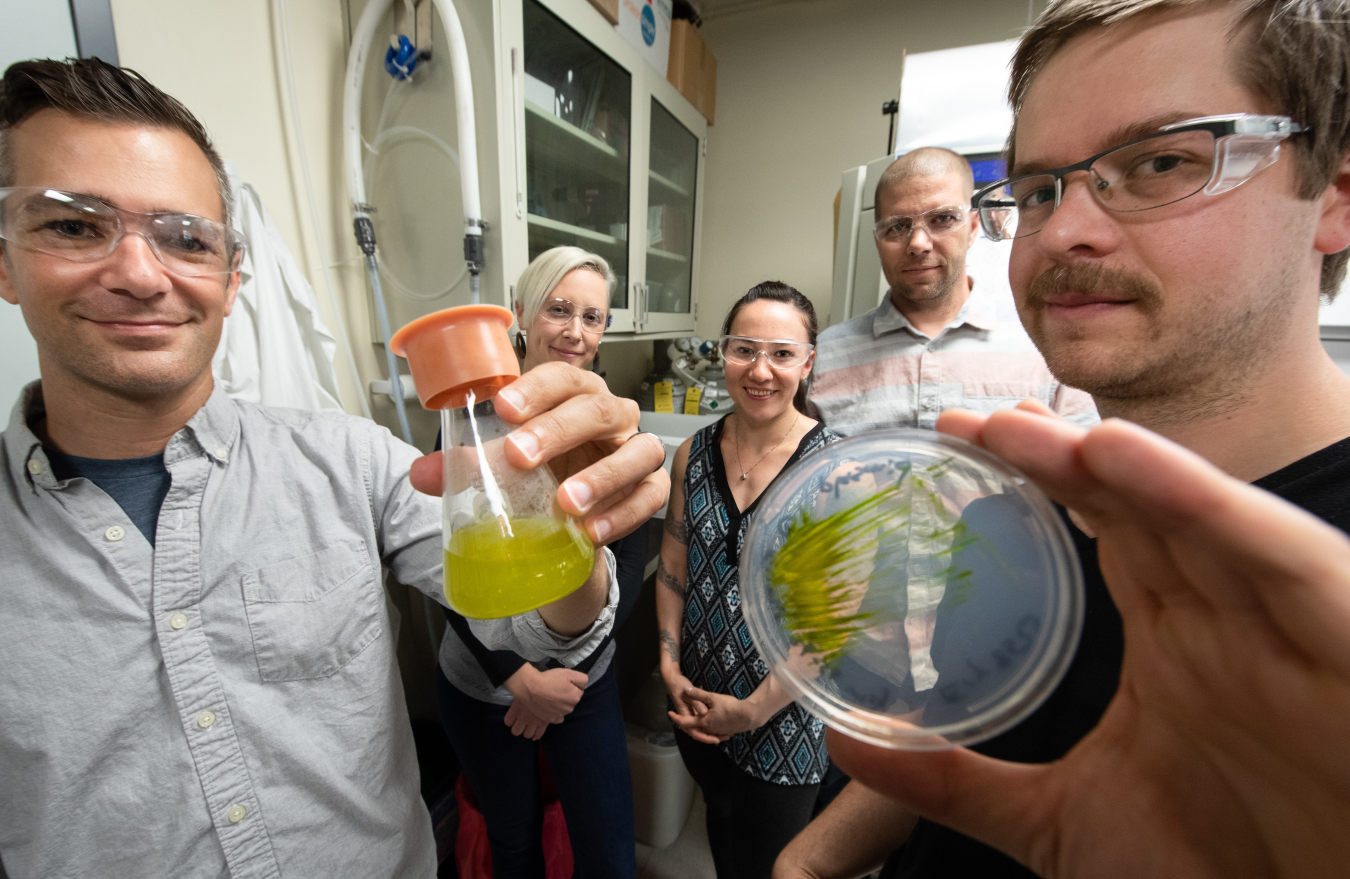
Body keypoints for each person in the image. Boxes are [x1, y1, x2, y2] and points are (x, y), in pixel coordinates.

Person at [0, 59, 668, 879]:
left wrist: (583, 526)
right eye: (73, 225)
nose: (141, 273)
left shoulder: (349, 460)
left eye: (184, 237)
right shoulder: (449, 432)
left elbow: (529, 615)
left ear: (232, 275)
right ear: (5, 262)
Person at [773, 1, 1350, 877]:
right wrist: (810, 860)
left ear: (1334, 194)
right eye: (1040, 189)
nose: (1066, 229)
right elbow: (962, 735)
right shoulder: (1021, 511)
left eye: (1162, 160)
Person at [435, 246, 644, 879]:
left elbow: (628, 554)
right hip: (485, 678)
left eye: (594, 316)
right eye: (559, 309)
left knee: (608, 848)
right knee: (515, 842)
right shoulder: (471, 419)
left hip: (582, 678)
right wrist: (518, 677)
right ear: (522, 313)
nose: (576, 331)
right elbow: (440, 566)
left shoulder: (607, 419)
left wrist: (562, 669)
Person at [657, 281, 844, 879]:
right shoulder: (693, 452)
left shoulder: (836, 469)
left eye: (783, 354)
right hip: (700, 696)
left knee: (772, 859)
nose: (760, 370)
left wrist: (754, 711)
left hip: (785, 713)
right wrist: (668, 665)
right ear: (723, 352)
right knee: (721, 823)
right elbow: (674, 565)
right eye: (744, 349)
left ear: (808, 363)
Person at [806, 147, 1097, 435]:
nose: (918, 243)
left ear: (972, 229)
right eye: (897, 226)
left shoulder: (1042, 343)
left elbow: (1083, 472)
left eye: (942, 219)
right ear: (877, 239)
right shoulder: (828, 354)